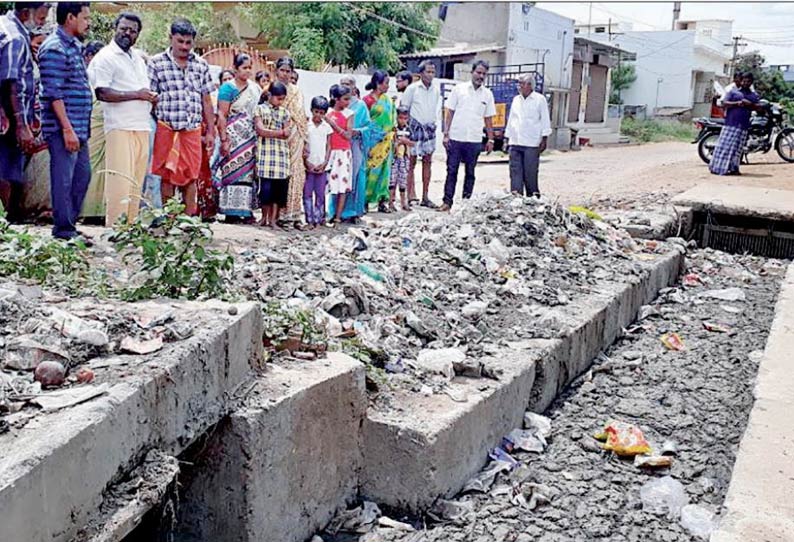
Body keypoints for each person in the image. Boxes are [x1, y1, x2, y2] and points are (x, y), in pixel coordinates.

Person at [88, 12, 156, 226]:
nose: (127, 33)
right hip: (119, 126)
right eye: (124, 28)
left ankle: (130, 226)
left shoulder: (137, 58)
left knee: (135, 182)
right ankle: (116, 227)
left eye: (132, 31)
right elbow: (102, 93)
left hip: (141, 125)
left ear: (137, 35)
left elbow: (141, 89)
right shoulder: (105, 57)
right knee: (119, 180)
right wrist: (138, 95)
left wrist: (150, 98)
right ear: (115, 28)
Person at [148, 18, 215, 216]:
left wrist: (211, 131)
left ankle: (188, 223)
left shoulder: (201, 65)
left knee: (191, 176)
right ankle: (169, 221)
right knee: (166, 176)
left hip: (192, 130)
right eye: (180, 41)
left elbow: (206, 101)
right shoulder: (156, 63)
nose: (184, 47)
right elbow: (150, 98)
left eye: (188, 42)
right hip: (166, 128)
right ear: (171, 39)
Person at [39, 2, 93, 242]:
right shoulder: (54, 48)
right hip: (64, 129)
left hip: (79, 127)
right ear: (70, 17)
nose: (88, 23)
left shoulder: (74, 46)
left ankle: (68, 225)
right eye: (85, 17)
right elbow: (53, 93)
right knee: (63, 180)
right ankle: (63, 231)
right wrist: (67, 128)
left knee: (82, 177)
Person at [0, 1, 51, 223]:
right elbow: (11, 84)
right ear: (25, 13)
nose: (42, 24)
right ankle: (6, 224)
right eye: (40, 19)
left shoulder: (3, 25)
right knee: (7, 171)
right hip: (9, 120)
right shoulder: (16, 39)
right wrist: (21, 126)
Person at [439, 60, 496, 212]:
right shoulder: (459, 89)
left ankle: (466, 204)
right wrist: (446, 133)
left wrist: (490, 139)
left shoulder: (488, 94)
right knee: (451, 171)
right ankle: (447, 202)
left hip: (475, 139)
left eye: (484, 74)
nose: (481, 76)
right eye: (478, 72)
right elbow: (449, 111)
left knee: (470, 173)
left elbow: (489, 118)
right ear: (472, 72)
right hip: (456, 137)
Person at [213, 53, 261, 223]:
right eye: (244, 68)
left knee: (247, 175)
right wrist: (224, 139)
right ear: (235, 69)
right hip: (233, 136)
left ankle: (246, 210)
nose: (247, 71)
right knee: (232, 172)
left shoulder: (255, 88)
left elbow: (257, 112)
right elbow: (222, 114)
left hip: (249, 136)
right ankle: (230, 212)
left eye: (250, 68)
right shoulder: (228, 88)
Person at [327, 75, 380, 223]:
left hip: (355, 145)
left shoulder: (360, 105)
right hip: (338, 146)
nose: (346, 86)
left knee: (354, 177)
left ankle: (353, 212)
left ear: (354, 86)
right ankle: (334, 212)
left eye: (349, 83)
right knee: (336, 177)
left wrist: (359, 131)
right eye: (343, 83)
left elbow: (369, 126)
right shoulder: (335, 105)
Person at [401, 60, 441, 208]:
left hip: (429, 129)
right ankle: (412, 195)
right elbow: (404, 109)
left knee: (427, 162)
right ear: (421, 73)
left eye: (433, 72)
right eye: (428, 72)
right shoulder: (412, 89)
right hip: (414, 129)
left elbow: (436, 108)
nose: (430, 75)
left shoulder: (436, 90)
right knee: (410, 162)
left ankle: (425, 196)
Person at [274, 57, 308, 229]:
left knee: (296, 174)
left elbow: (301, 116)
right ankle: (278, 215)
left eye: (289, 71)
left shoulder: (297, 92)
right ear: (276, 70)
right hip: (276, 137)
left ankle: (294, 214)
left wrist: (305, 140)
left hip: (296, 136)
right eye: (283, 70)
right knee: (280, 174)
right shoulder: (271, 90)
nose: (285, 74)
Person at [504, 73, 550, 198]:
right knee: (515, 175)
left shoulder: (539, 100)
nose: (519, 86)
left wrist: (544, 139)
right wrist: (507, 139)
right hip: (515, 142)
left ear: (529, 85)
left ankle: (534, 202)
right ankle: (517, 201)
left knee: (530, 176)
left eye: (521, 83)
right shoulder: (516, 100)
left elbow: (545, 120)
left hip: (531, 144)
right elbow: (511, 120)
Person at [253, 81, 290, 228]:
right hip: (265, 155)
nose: (280, 102)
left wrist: (273, 133)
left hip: (281, 156)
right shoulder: (259, 109)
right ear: (270, 95)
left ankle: (273, 220)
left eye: (283, 99)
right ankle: (264, 218)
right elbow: (260, 130)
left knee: (278, 191)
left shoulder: (285, 112)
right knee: (265, 190)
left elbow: (287, 133)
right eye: (278, 98)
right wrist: (279, 133)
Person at [709, 72, 760, 176]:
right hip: (730, 124)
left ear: (751, 82)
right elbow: (724, 103)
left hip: (743, 125)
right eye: (744, 81)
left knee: (737, 150)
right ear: (740, 81)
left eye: (748, 81)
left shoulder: (753, 95)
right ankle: (718, 168)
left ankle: (734, 168)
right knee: (724, 148)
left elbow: (759, 108)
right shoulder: (733, 92)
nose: (746, 83)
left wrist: (749, 104)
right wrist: (737, 103)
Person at [363, 70, 395, 213]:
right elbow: (365, 121)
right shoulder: (367, 100)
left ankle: (382, 201)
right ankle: (364, 201)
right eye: (386, 83)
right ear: (378, 83)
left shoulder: (388, 100)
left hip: (386, 142)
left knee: (384, 172)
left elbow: (391, 119)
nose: (388, 86)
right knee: (369, 171)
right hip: (372, 142)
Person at [326, 85, 355, 227]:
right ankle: (326, 214)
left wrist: (333, 125)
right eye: (345, 99)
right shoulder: (327, 112)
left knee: (341, 185)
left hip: (343, 153)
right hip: (329, 151)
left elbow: (349, 135)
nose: (348, 102)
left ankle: (338, 216)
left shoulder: (349, 114)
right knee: (327, 184)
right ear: (336, 99)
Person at [303, 95, 332, 228]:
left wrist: (325, 162)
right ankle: (309, 219)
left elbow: (329, 146)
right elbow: (303, 144)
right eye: (316, 112)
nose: (318, 115)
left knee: (320, 194)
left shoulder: (327, 127)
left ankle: (319, 218)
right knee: (307, 193)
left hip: (322, 166)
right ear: (311, 110)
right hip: (308, 165)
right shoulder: (306, 126)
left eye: (322, 113)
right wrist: (306, 161)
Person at [389, 106, 413, 212]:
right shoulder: (393, 128)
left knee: (403, 180)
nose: (402, 120)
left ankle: (404, 202)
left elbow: (413, 142)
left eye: (405, 118)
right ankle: (390, 202)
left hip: (404, 157)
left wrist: (404, 141)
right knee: (392, 180)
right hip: (394, 158)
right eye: (400, 118)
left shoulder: (409, 129)